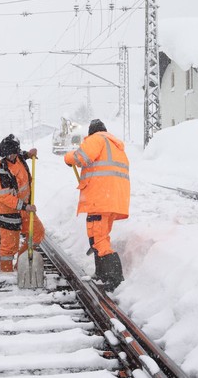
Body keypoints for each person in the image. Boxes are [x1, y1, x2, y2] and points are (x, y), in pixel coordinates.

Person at [64, 119, 129, 292]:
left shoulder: (97, 139)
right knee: (97, 236)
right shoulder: (115, 145)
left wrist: (67, 157)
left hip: (100, 198)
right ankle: (101, 273)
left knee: (99, 238)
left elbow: (81, 157)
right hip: (110, 199)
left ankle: (115, 278)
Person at [0, 134, 44, 272]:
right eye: (11, 155)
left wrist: (28, 155)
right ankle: (6, 273)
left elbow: (19, 156)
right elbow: (4, 197)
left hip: (22, 205)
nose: (14, 157)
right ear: (4, 154)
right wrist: (24, 206)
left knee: (37, 232)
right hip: (4, 210)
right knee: (9, 246)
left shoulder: (14, 155)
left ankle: (21, 264)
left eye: (15, 154)